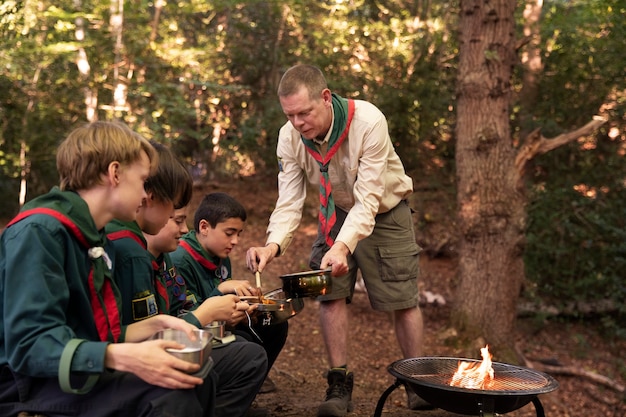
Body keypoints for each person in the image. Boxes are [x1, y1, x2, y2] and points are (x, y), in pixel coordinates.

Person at [0, 121, 216, 417]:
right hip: (24, 386)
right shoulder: (40, 232)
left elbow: (90, 334)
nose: (145, 194)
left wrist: (156, 325)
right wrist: (125, 357)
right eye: (142, 180)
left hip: (67, 374)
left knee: (194, 375)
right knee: (170, 393)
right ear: (115, 173)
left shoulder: (94, 236)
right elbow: (30, 346)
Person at [245, 64, 426, 417]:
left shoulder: (369, 122)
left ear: (326, 98)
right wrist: (273, 244)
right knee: (328, 292)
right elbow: (289, 201)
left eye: (304, 112)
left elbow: (370, 198)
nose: (297, 123)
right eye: (290, 115)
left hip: (385, 212)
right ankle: (339, 381)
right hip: (334, 213)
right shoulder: (289, 137)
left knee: (402, 298)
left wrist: (344, 246)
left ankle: (417, 381)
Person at [105, 142, 268, 417]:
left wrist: (217, 304)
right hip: (123, 368)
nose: (183, 229)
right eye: (175, 217)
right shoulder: (132, 253)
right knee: (234, 361)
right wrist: (206, 313)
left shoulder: (160, 257)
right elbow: (136, 335)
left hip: (153, 344)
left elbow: (170, 311)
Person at [170, 192, 288, 394]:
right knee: (247, 345)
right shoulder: (180, 259)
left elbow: (225, 307)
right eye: (229, 233)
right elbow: (188, 315)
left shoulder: (220, 255)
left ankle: (251, 389)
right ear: (204, 227)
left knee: (275, 325)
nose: (235, 241)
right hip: (191, 336)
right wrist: (221, 290)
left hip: (218, 326)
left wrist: (245, 308)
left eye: (239, 234)